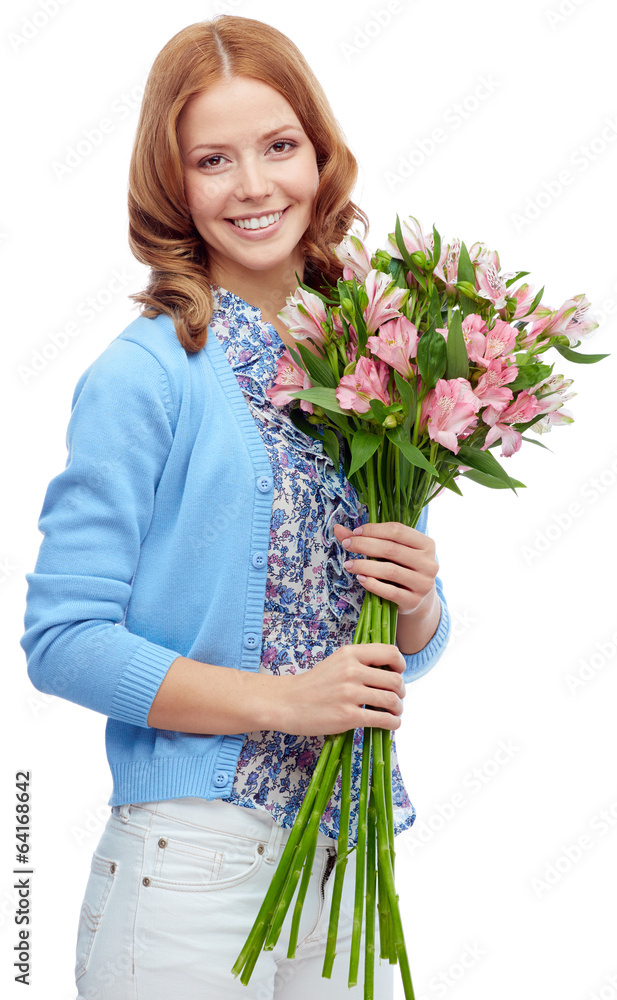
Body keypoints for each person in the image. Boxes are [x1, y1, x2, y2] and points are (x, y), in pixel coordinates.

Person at [20, 15, 450, 1000]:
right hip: (188, 870)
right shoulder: (147, 374)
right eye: (212, 159)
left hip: (341, 867)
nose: (254, 186)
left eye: (278, 146)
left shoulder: (373, 356)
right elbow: (63, 638)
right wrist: (281, 703)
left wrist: (418, 603)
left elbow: (403, 650)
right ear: (172, 184)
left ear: (319, 152)